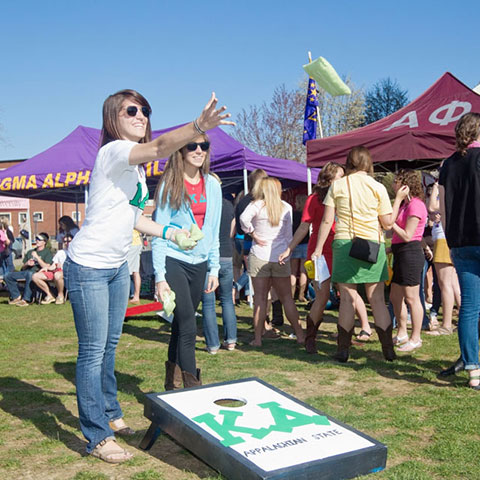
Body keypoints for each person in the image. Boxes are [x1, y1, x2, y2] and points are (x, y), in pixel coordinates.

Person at [63, 89, 233, 463]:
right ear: (113, 118)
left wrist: (171, 233)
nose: (140, 116)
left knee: (108, 348)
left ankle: (110, 413)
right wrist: (198, 126)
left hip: (116, 266)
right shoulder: (114, 152)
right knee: (92, 353)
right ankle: (97, 435)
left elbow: (135, 217)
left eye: (145, 110)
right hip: (89, 265)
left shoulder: (135, 171)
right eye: (131, 111)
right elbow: (159, 149)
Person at [312, 146, 408, 362]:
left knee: (346, 298)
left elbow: (327, 221)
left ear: (349, 162)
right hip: (373, 244)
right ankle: (388, 350)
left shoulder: (337, 185)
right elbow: (387, 223)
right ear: (368, 162)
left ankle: (343, 350)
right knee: (376, 299)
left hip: (345, 243)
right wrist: (398, 200)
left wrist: (318, 248)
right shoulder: (378, 187)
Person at [152, 134, 223, 391]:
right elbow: (158, 232)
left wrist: (214, 267)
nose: (199, 150)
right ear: (180, 151)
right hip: (175, 260)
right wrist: (159, 276)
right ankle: (193, 388)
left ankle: (171, 384)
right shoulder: (168, 185)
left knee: (181, 325)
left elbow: (213, 229)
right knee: (189, 325)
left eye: (204, 145)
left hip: (201, 262)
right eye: (192, 146)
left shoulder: (213, 185)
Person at [279, 163, 370, 353]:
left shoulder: (346, 197)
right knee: (321, 296)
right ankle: (310, 338)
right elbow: (304, 226)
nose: (343, 180)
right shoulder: (314, 199)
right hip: (319, 252)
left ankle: (347, 337)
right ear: (328, 179)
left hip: (342, 249)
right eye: (339, 176)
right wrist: (289, 248)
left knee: (348, 294)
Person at [438, 112, 480, 389]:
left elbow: (442, 208)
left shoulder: (447, 165)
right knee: (471, 308)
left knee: (469, 308)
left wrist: (451, 240)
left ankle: (473, 368)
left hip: (460, 241)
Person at [240, 177, 306, 347]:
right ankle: (300, 335)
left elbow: (243, 219)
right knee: (287, 298)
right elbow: (287, 235)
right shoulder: (286, 207)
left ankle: (258, 339)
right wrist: (287, 251)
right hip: (280, 257)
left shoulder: (256, 205)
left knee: (260, 299)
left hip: (259, 255)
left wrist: (253, 234)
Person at [389, 169, 428, 352]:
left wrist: (390, 223)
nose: (393, 184)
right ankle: (402, 332)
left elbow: (407, 235)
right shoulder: (404, 206)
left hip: (411, 253)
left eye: (396, 181)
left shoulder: (416, 205)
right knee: (395, 297)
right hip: (399, 253)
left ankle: (416, 337)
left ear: (405, 185)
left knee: (412, 298)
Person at [202, 195, 237, 354]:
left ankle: (213, 345)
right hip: (226, 254)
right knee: (227, 299)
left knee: (208, 303)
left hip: (209, 255)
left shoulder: (204, 203)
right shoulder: (228, 205)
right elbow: (232, 231)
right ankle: (231, 341)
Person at [427, 182, 461, 335]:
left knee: (444, 283)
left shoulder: (444, 191)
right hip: (448, 238)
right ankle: (464, 318)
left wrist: (435, 188)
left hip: (443, 238)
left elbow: (432, 207)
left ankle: (446, 324)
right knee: (453, 283)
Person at [5, 232, 53, 307]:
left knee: (30, 274)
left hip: (37, 273)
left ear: (44, 242)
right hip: (26, 272)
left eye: (39, 240)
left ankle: (26, 299)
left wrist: (37, 257)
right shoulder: (30, 252)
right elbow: (22, 268)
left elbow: (46, 266)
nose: (37, 241)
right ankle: (16, 296)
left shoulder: (47, 252)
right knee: (7, 275)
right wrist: (27, 263)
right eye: (36, 239)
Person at [31, 233, 72, 304]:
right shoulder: (60, 252)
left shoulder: (75, 252)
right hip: (56, 271)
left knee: (57, 275)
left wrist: (63, 266)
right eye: (65, 241)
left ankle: (60, 295)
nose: (66, 243)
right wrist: (46, 268)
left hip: (68, 272)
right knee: (35, 276)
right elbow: (53, 265)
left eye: (69, 241)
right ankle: (50, 295)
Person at [290, 194, 309, 302]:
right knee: (303, 271)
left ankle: (292, 294)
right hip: (306, 243)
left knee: (293, 272)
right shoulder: (306, 215)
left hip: (295, 243)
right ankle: (301, 295)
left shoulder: (293, 214)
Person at [127, 229, 142, 304]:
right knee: (135, 272)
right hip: (137, 243)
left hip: (131, 244)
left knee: (126, 272)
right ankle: (136, 296)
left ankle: (124, 296)